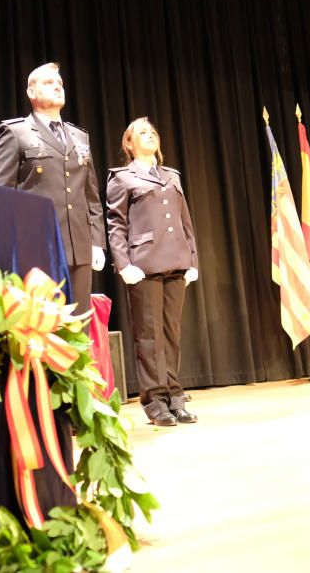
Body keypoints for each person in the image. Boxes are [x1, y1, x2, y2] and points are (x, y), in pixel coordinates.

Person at [0, 63, 106, 315]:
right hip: (37, 249)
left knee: (78, 332)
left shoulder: (79, 137)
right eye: (48, 82)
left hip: (79, 250)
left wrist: (96, 242)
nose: (57, 86)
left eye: (60, 83)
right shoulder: (16, 132)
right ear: (31, 92)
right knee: (43, 332)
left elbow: (91, 196)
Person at [106, 118, 199, 426]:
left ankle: (176, 396)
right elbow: (116, 224)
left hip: (176, 261)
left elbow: (186, 222)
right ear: (129, 144)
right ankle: (155, 401)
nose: (150, 136)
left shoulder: (171, 176)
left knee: (171, 333)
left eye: (153, 132)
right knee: (149, 336)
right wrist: (123, 264)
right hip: (143, 264)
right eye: (141, 133)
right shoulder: (122, 178)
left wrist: (193, 261)